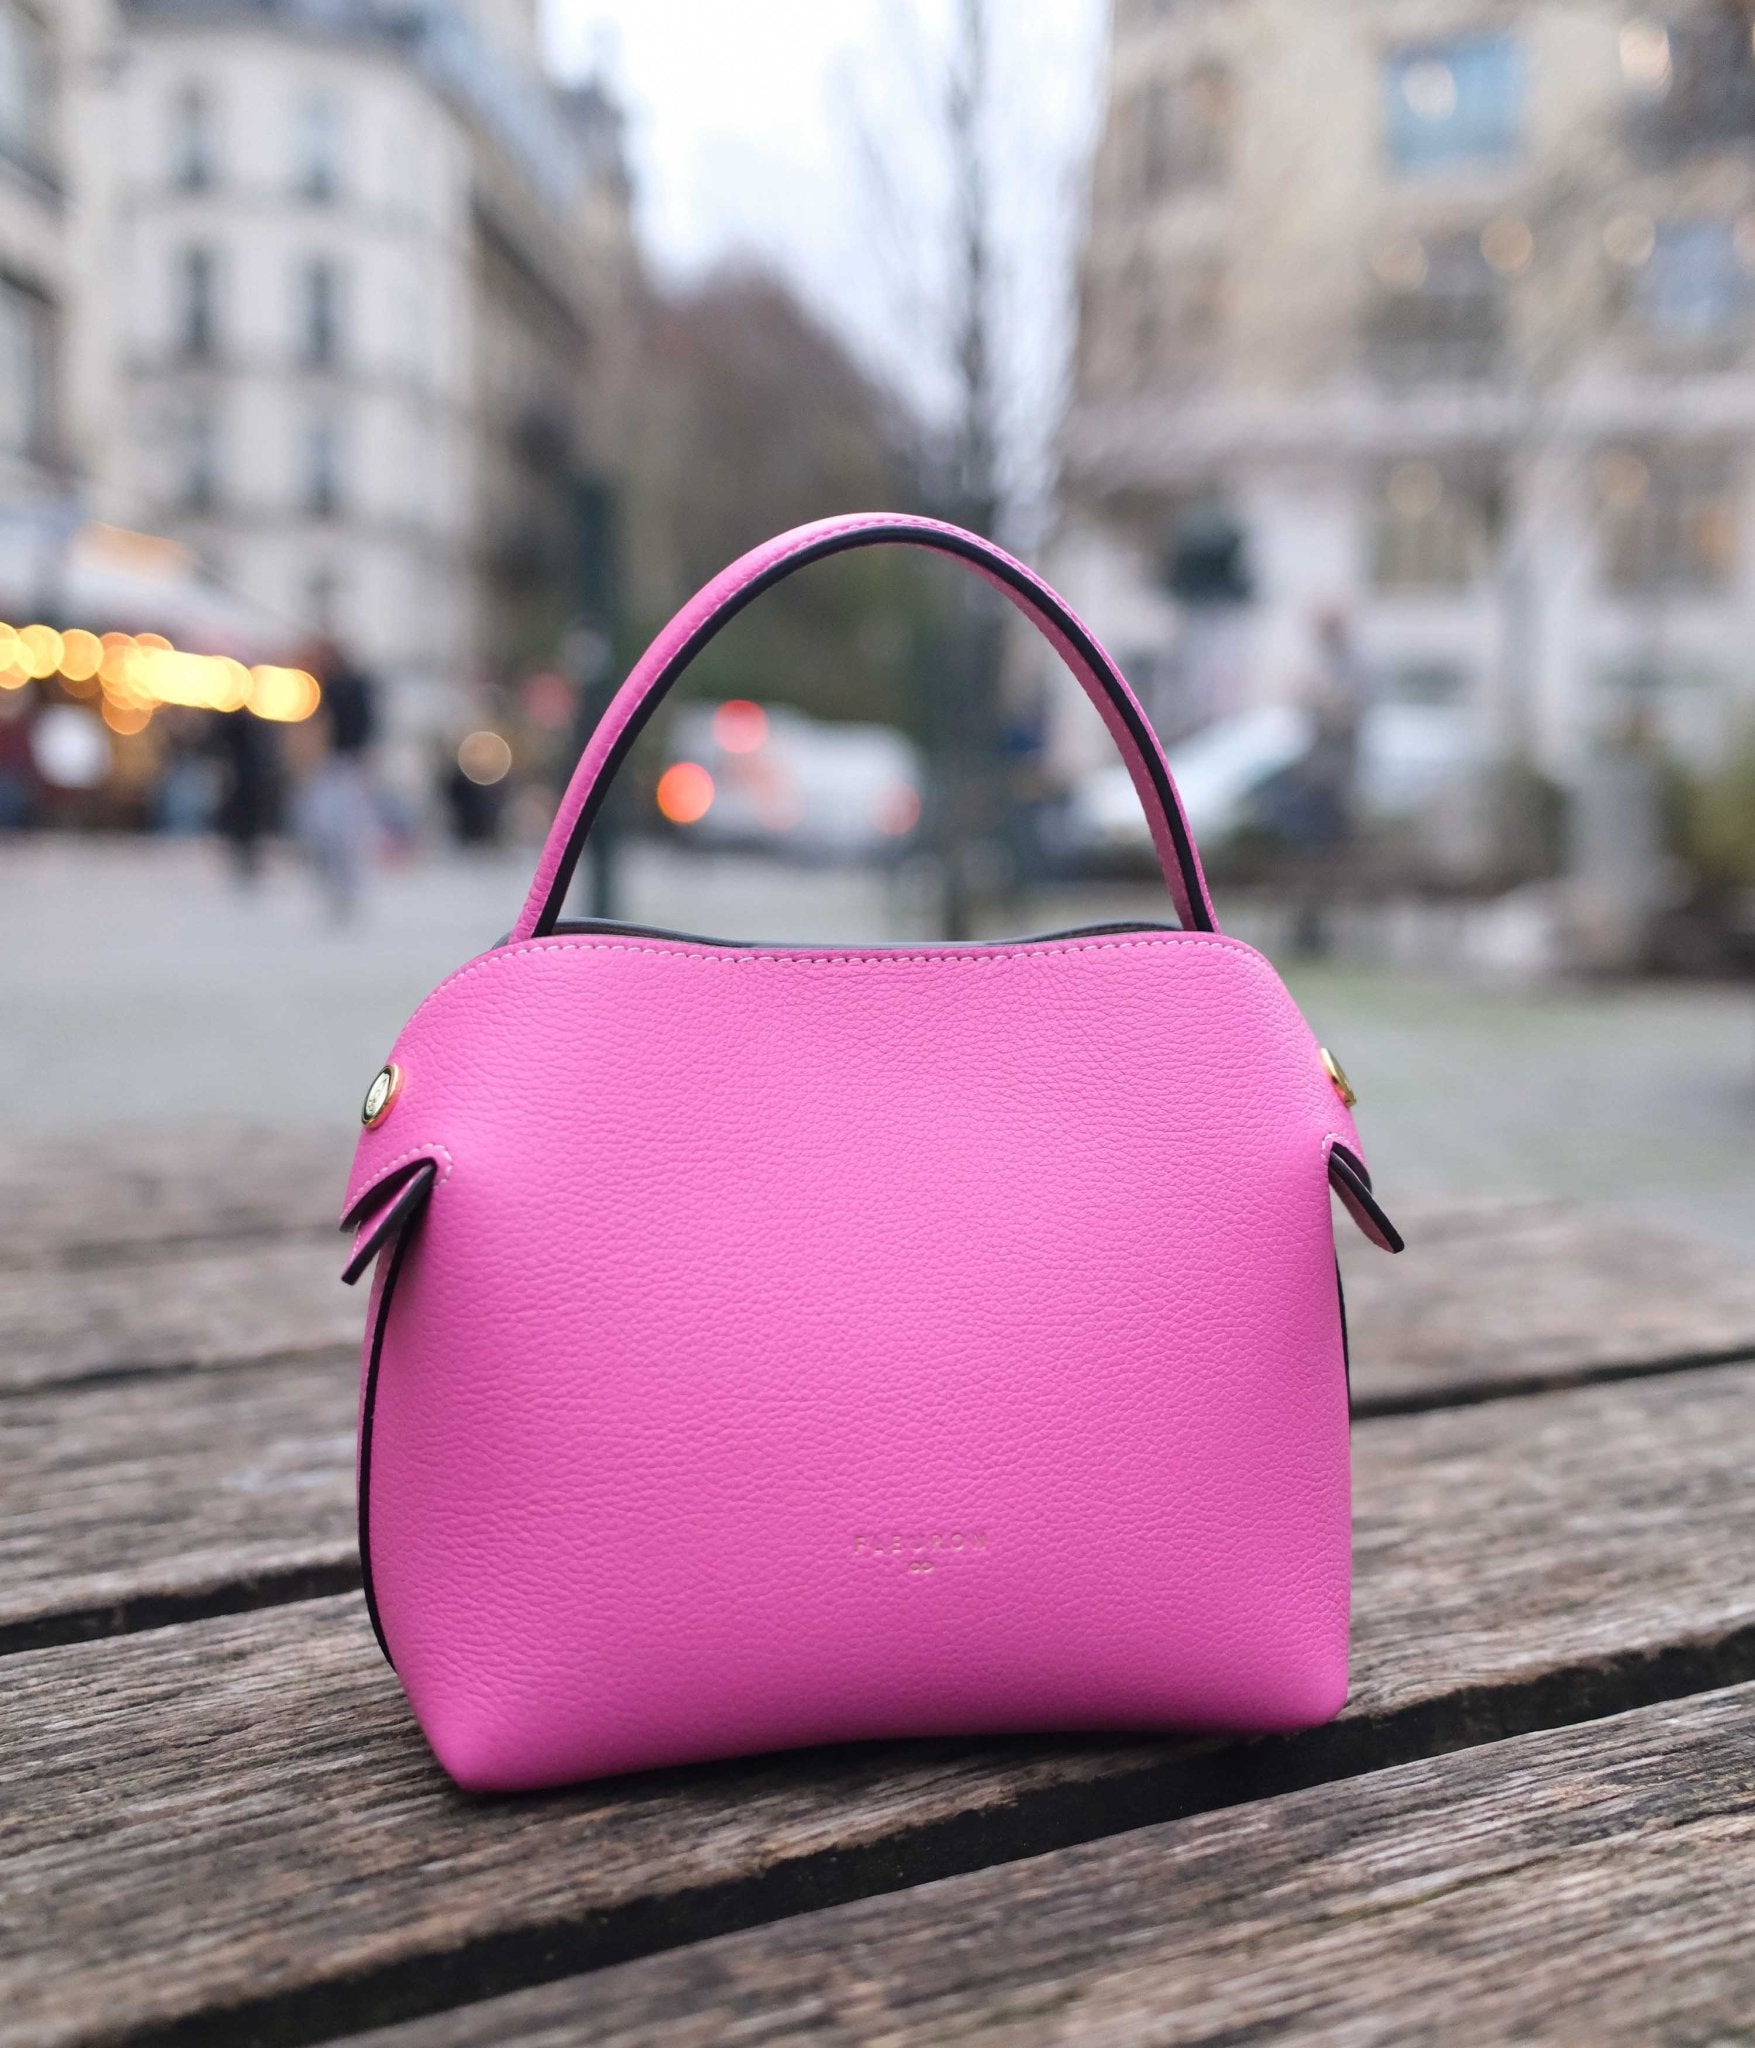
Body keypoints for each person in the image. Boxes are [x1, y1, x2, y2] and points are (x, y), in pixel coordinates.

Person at [294, 639, 381, 920]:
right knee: (325, 825)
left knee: (344, 828)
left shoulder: (351, 687)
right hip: (332, 764)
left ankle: (345, 887)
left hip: (348, 763)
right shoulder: (329, 686)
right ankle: (336, 884)